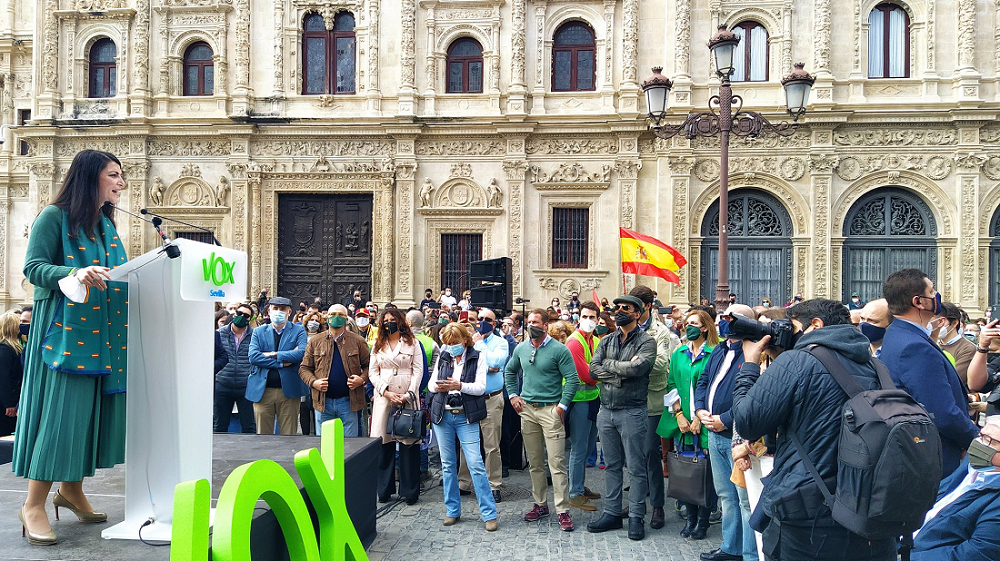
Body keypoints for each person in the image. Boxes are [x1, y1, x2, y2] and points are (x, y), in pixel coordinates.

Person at [14, 149, 130, 545]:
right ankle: (32, 504)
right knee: (62, 419)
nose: (121, 182)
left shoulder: (106, 226)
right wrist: (73, 272)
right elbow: (32, 269)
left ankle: (72, 490)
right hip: (64, 336)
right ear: (90, 177)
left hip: (104, 335)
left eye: (121, 175)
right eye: (114, 175)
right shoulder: (53, 217)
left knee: (88, 417)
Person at [732, 298, 897, 561]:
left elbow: (747, 421)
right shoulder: (877, 366)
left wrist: (750, 364)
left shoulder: (797, 362)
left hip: (808, 513)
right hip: (866, 507)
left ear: (816, 325)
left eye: (793, 326)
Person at [880, 269, 978, 476]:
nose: (936, 297)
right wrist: (978, 442)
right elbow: (942, 413)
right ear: (918, 302)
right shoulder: (915, 346)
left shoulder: (898, 334)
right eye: (932, 292)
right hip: (935, 455)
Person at [586, 295, 657, 541]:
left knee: (636, 468)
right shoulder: (606, 339)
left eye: (625, 308)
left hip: (632, 410)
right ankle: (612, 513)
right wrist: (619, 372)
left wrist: (610, 366)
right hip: (606, 410)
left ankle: (636, 516)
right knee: (612, 466)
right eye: (617, 308)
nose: (619, 311)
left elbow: (638, 369)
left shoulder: (647, 341)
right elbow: (593, 368)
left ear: (637, 313)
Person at [504, 308, 579, 531]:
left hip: (550, 410)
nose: (531, 325)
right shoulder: (521, 348)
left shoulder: (559, 350)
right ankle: (540, 504)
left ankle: (563, 509)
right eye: (529, 322)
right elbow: (510, 372)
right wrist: (513, 395)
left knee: (556, 463)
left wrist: (561, 407)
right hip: (527, 410)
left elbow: (572, 380)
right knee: (535, 462)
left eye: (536, 322)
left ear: (546, 325)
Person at [694, 304, 756, 561]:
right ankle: (730, 548)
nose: (724, 321)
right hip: (713, 433)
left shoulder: (753, 353)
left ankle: (750, 554)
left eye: (731, 317)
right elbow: (703, 381)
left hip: (737, 437)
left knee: (745, 500)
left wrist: (725, 419)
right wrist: (699, 410)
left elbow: (753, 395)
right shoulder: (719, 349)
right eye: (722, 316)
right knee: (726, 497)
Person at [428, 322, 499, 531]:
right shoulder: (444, 355)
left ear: (465, 340)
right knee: (448, 464)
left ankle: (489, 513)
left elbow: (480, 387)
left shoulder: (477, 356)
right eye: (449, 343)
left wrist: (459, 386)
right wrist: (442, 383)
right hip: (443, 415)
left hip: (466, 416)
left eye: (455, 343)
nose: (452, 347)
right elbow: (431, 384)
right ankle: (452, 510)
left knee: (476, 463)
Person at [661, 309, 719, 540]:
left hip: (705, 421)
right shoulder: (679, 353)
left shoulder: (715, 353)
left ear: (705, 327)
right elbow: (671, 383)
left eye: (694, 323)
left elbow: (715, 388)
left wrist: (698, 417)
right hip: (683, 422)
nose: (689, 326)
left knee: (705, 472)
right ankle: (691, 517)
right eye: (687, 323)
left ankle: (703, 521)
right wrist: (679, 415)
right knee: (687, 470)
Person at [911, 418, 1000, 560]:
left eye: (989, 441)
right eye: (980, 435)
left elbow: (977, 554)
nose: (978, 444)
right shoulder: (970, 468)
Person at [630, 284, 681, 530]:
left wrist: (630, 364)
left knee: (651, 453)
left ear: (648, 306)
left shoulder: (661, 332)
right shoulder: (623, 328)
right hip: (626, 400)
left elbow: (660, 364)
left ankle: (658, 505)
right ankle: (635, 502)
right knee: (631, 454)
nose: (631, 312)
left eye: (635, 307)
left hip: (651, 400)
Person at [369, 308, 425, 504]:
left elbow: (418, 370)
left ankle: (410, 491)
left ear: (400, 321)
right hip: (385, 397)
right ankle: (384, 489)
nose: (389, 322)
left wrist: (408, 393)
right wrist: (385, 391)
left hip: (407, 396)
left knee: (408, 444)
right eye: (386, 320)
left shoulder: (412, 343)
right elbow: (372, 372)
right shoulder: (378, 344)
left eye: (393, 319)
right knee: (384, 445)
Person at [456, 308, 508, 503]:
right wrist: (488, 366)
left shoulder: (500, 343)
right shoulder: (467, 342)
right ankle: (464, 481)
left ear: (494, 324)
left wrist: (480, 346)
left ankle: (493, 484)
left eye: (488, 320)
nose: (483, 322)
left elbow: (496, 362)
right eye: (481, 319)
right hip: (470, 398)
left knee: (491, 444)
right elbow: (466, 365)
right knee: (466, 442)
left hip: (491, 398)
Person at [299, 304, 370, 437]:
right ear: (327, 318)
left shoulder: (358, 341)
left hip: (349, 401)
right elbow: (304, 368)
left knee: (349, 445)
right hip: (323, 402)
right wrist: (314, 383)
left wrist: (362, 379)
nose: (336, 318)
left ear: (347, 319)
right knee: (324, 444)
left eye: (340, 315)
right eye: (332, 315)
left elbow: (369, 366)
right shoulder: (315, 341)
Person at [246, 296, 309, 435]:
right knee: (263, 435)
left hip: (288, 391)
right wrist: (282, 362)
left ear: (289, 312)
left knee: (289, 435)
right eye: (275, 308)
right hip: (263, 391)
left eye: (282, 309)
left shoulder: (298, 331)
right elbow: (254, 357)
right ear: (269, 311)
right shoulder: (259, 331)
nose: (279, 311)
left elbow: (302, 354)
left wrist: (273, 354)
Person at [564, 301, 603, 512]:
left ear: (598, 319)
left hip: (592, 401)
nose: (588, 321)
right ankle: (575, 493)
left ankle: (579, 485)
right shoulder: (574, 342)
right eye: (585, 316)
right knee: (579, 449)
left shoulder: (595, 341)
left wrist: (599, 372)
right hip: (578, 402)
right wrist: (602, 373)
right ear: (579, 317)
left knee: (588, 447)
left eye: (592, 317)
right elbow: (587, 375)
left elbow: (597, 370)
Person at [216, 303, 256, 433]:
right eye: (239, 314)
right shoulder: (220, 334)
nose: (242, 317)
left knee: (248, 426)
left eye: (246, 316)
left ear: (250, 319)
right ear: (234, 314)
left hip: (245, 385)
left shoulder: (255, 335)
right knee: (219, 425)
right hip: (223, 383)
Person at [938, 302, 977, 386]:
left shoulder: (968, 348)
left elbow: (955, 378)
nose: (937, 325)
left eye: (941, 321)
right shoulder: (933, 344)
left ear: (955, 323)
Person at [0, 311, 24, 437]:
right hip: (5, 404)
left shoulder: (12, 348)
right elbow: (4, 378)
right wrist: (9, 403)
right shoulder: (5, 350)